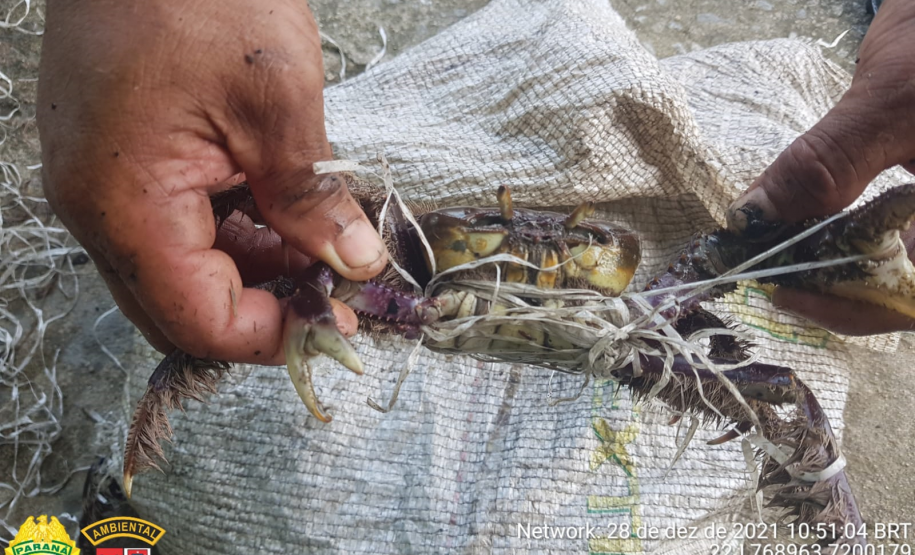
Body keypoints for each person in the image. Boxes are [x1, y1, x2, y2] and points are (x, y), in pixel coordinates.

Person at [36, 0, 914, 369]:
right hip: (416, 297)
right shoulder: (395, 274)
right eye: (501, 239)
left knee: (783, 387)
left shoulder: (659, 294)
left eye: (569, 248)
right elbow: (307, 270)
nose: (529, 259)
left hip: (632, 318)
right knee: (261, 279)